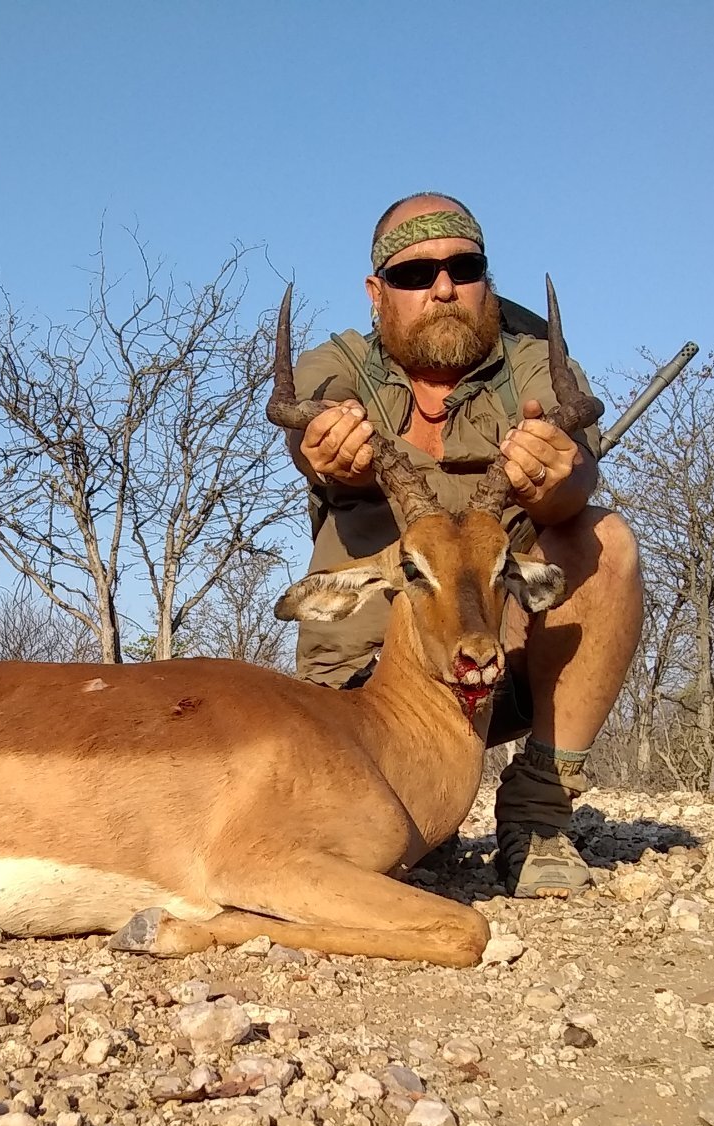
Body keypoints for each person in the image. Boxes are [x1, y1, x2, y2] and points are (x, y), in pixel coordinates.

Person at [282, 192, 645, 896]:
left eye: (464, 267)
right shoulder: (340, 362)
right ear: (377, 292)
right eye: (416, 275)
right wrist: (324, 446)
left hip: (494, 663)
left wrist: (556, 476)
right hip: (367, 686)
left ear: (486, 278)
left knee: (606, 537)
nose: (443, 287)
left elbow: (577, 471)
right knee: (365, 843)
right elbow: (310, 421)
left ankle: (540, 809)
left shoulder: (537, 358)